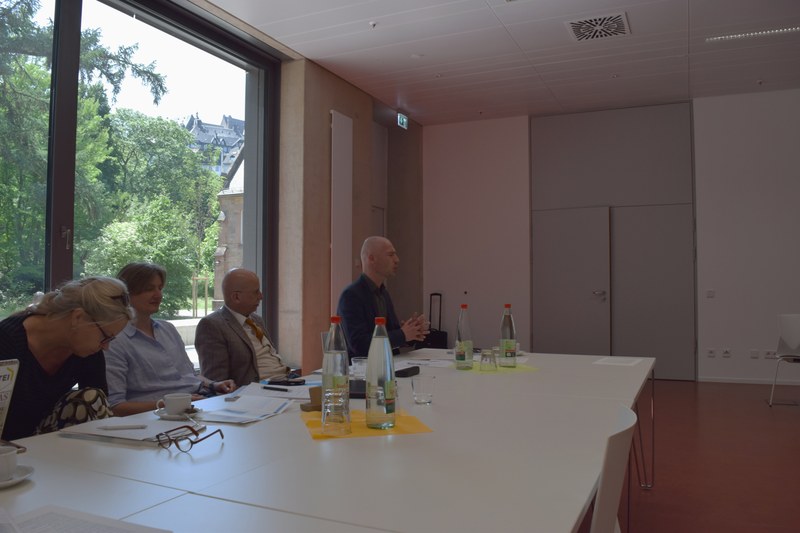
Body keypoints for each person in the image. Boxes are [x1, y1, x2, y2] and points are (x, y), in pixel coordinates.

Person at [0, 277, 133, 440]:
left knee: (92, 397)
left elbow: (99, 408)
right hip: (7, 449)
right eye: (106, 337)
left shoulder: (86, 350)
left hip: (45, 446)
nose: (106, 347)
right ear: (78, 318)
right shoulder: (7, 341)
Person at [104, 263, 235, 416]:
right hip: (161, 416)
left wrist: (214, 384)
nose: (158, 295)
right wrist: (172, 404)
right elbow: (116, 406)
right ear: (127, 294)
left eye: (160, 288)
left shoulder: (168, 329)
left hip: (200, 402)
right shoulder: (115, 341)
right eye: (149, 289)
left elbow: (189, 375)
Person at [337, 236, 429, 359]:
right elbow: (359, 344)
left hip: (387, 364)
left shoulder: (382, 293)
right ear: (371, 259)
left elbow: (392, 334)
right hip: (362, 370)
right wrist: (402, 334)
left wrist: (412, 332)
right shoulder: (351, 296)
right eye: (390, 255)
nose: (397, 260)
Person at [196, 268, 292, 385]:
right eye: (256, 292)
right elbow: (217, 381)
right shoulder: (212, 325)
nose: (261, 296)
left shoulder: (256, 320)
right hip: (257, 391)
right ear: (236, 297)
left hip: (287, 381)